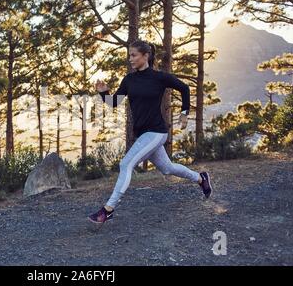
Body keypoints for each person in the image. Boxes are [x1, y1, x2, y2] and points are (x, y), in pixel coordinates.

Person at [88, 40, 212, 224]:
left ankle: (108, 210)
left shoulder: (159, 77)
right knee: (167, 168)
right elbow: (114, 103)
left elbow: (184, 88)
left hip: (156, 131)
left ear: (145, 56)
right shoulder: (129, 80)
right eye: (129, 55)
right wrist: (104, 93)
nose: (130, 59)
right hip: (143, 134)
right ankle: (200, 178)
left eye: (133, 55)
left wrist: (184, 113)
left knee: (125, 164)